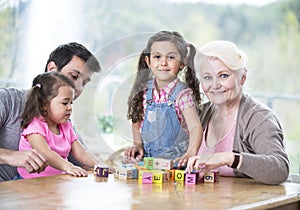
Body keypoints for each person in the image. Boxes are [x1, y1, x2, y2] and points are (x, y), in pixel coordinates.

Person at [185, 40, 290, 184]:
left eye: (223, 76)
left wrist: (228, 158)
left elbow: (280, 169)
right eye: (207, 77)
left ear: (243, 77)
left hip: (255, 204)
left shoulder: (258, 118)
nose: (215, 85)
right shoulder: (201, 113)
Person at [0, 42, 101, 181]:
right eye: (74, 76)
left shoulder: (64, 124)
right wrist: (8, 156)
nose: (78, 87)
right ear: (51, 69)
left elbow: (82, 159)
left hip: (46, 195)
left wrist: (114, 163)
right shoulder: (7, 100)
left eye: (84, 83)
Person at [124, 31, 203, 168]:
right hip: (150, 161)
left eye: (171, 57)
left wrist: (191, 153)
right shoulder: (144, 90)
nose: (163, 63)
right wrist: (137, 144)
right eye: (157, 57)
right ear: (148, 61)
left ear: (182, 63)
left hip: (176, 163)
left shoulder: (182, 95)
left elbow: (195, 127)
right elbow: (136, 118)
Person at [16, 72, 98, 178]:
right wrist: (69, 167)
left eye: (71, 103)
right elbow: (46, 154)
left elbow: (82, 153)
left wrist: (99, 165)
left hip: (57, 181)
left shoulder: (66, 126)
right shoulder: (35, 128)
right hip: (28, 183)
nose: (70, 107)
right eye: (65, 103)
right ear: (45, 104)